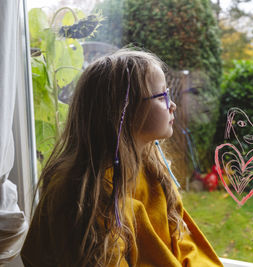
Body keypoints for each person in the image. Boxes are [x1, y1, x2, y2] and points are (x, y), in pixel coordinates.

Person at [21, 49, 223, 267]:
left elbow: (181, 245)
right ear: (122, 111)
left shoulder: (152, 169)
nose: (172, 105)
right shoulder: (86, 195)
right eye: (161, 96)